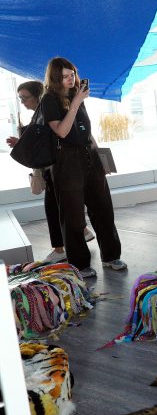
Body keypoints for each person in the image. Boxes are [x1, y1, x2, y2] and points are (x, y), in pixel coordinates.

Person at [40, 57, 125, 278]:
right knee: (73, 216)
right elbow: (61, 131)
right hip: (66, 161)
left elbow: (86, 131)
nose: (71, 79)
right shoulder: (49, 99)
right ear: (55, 78)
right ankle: (79, 263)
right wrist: (76, 102)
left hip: (89, 156)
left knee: (103, 209)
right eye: (65, 76)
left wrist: (101, 159)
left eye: (73, 74)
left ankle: (111, 256)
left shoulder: (75, 95)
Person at [6, 81, 95, 262]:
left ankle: (61, 249)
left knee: (54, 209)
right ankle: (81, 233)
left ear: (37, 96)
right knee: (61, 207)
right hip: (56, 168)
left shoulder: (47, 114)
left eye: (25, 98)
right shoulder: (42, 114)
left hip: (57, 168)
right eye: (20, 98)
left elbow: (52, 139)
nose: (23, 102)